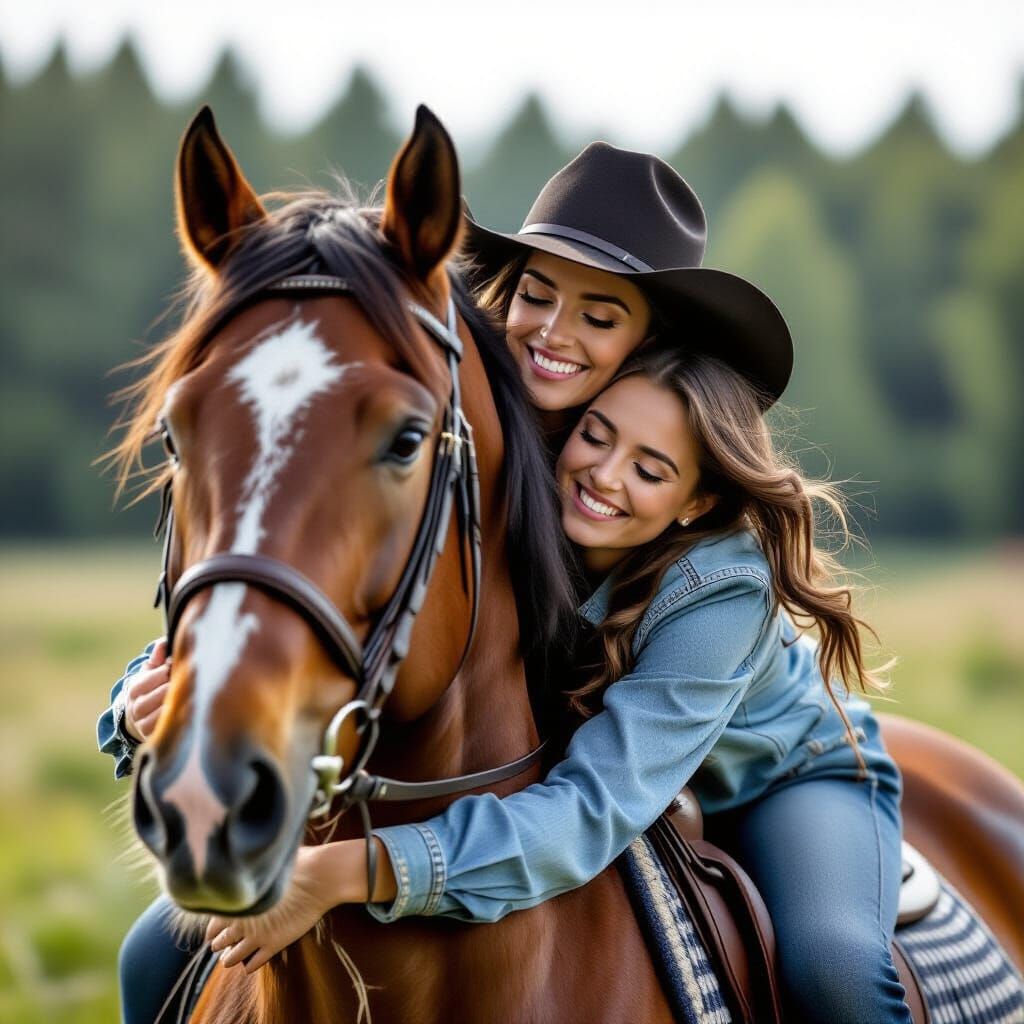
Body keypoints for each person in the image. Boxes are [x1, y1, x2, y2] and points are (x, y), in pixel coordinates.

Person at [101, 145, 909, 1022]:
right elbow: (325, 573)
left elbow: (600, 802)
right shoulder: (483, 437)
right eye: (536, 295)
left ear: (648, 342)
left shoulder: (717, 577)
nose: (554, 333)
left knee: (835, 971)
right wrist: (165, 690)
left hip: (768, 776)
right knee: (156, 955)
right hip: (580, 754)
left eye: (599, 317)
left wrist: (348, 870)